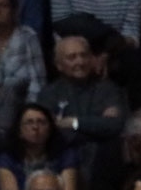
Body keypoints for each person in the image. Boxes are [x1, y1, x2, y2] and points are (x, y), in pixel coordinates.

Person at [36, 34, 128, 179]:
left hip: (102, 160)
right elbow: (51, 132)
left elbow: (115, 125)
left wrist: (73, 122)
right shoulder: (49, 94)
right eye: (72, 57)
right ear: (59, 65)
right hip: (62, 160)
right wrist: (97, 125)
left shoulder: (108, 89)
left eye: (84, 55)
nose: (80, 61)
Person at [0, 103, 78, 190]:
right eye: (29, 122)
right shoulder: (7, 157)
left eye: (41, 122)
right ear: (19, 130)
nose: (35, 127)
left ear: (50, 129)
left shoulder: (65, 155)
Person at [0, 0, 44, 102]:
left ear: (14, 10)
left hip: (20, 107)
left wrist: (29, 113)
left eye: (3, 5)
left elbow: (37, 82)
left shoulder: (28, 36)